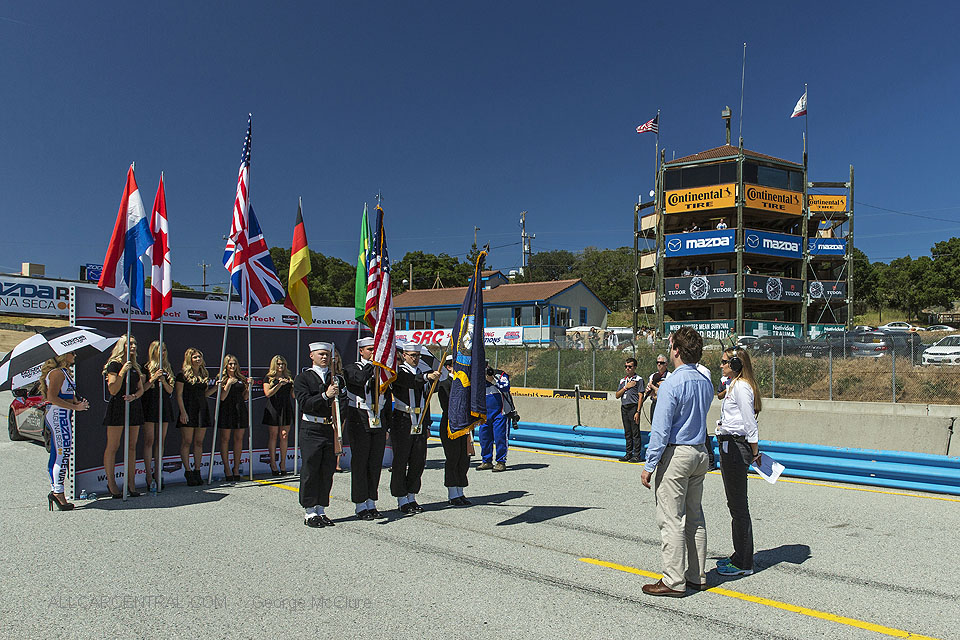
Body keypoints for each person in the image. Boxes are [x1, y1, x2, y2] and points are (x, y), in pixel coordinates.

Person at [640, 327, 713, 597]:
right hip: (699, 451)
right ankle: (697, 575)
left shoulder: (671, 384)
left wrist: (649, 465)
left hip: (677, 454)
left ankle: (673, 579)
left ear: (677, 351)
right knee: (695, 516)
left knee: (671, 518)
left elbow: (660, 431)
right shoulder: (705, 381)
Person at [715, 347, 762, 577]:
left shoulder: (742, 387)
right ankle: (739, 554)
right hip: (728, 445)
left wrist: (755, 452)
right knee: (734, 505)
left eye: (725, 362)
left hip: (736, 447)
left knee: (739, 507)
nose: (721, 365)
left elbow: (749, 423)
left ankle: (744, 562)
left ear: (735, 365)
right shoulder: (733, 385)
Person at [294, 342, 341, 528]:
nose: (324, 357)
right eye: (321, 354)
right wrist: (325, 396)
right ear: (311, 355)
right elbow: (304, 403)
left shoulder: (335, 377)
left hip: (329, 427)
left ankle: (321, 509)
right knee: (310, 469)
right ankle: (309, 511)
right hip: (311, 427)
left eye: (327, 354)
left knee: (326, 470)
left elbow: (343, 401)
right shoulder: (303, 378)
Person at [390, 344, 440, 514]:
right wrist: (427, 377)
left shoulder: (422, 372)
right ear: (404, 355)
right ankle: (401, 498)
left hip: (420, 419)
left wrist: (428, 424)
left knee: (418, 460)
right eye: (412, 355)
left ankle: (411, 495)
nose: (415, 358)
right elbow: (410, 382)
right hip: (403, 419)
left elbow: (427, 399)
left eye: (417, 355)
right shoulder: (398, 372)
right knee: (401, 460)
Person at [343, 337, 388, 520]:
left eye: (375, 349)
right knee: (360, 462)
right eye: (370, 349)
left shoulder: (382, 371)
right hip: (359, 417)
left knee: (375, 463)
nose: (373, 352)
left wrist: (387, 426)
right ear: (361, 351)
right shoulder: (351, 368)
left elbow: (387, 397)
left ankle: (371, 501)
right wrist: (373, 364)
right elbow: (360, 380)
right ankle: (360, 504)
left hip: (378, 417)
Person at [41, 353, 89, 510]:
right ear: (62, 355)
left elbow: (67, 395)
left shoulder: (64, 372)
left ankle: (57, 489)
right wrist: (75, 407)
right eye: (71, 353)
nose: (74, 355)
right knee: (62, 453)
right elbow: (52, 397)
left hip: (63, 414)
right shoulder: (56, 373)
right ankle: (58, 492)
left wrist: (77, 402)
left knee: (61, 453)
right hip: (58, 414)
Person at [102, 337, 145, 498]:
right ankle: (111, 483)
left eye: (135, 343)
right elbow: (113, 389)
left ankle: (131, 483)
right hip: (118, 406)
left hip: (133, 406)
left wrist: (134, 396)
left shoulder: (135, 365)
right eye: (130, 343)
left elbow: (141, 389)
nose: (133, 346)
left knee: (132, 446)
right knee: (113, 446)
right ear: (122, 346)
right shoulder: (114, 364)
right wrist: (122, 371)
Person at [175, 348, 216, 486]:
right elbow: (179, 395)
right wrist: (183, 412)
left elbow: (205, 394)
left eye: (199, 357)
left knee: (199, 442)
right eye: (195, 357)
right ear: (189, 359)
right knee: (187, 441)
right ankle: (188, 471)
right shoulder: (182, 375)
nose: (198, 359)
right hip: (188, 410)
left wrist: (216, 387)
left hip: (202, 410)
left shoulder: (204, 374)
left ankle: (197, 470)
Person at [141, 340, 174, 492]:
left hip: (164, 405)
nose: (163, 353)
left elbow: (170, 390)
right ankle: (148, 475)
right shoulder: (145, 367)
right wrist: (153, 378)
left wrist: (163, 381)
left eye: (165, 349)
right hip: (149, 404)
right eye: (160, 350)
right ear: (153, 351)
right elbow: (142, 389)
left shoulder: (167, 367)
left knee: (160, 441)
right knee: (149, 440)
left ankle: (158, 472)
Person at [437, 355, 470, 505]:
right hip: (450, 425)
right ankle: (452, 492)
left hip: (464, 425)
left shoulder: (465, 383)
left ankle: (460, 490)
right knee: (453, 458)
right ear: (449, 367)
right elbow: (447, 406)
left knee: (464, 458)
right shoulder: (445, 384)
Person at [215, 354, 248, 482]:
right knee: (225, 439)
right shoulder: (221, 378)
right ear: (226, 365)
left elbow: (245, 397)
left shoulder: (241, 378)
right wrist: (228, 383)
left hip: (240, 409)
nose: (233, 366)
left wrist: (248, 387)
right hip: (226, 410)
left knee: (239, 439)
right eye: (230, 364)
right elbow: (222, 397)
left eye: (234, 363)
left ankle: (236, 468)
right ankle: (227, 468)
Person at [262, 355, 295, 476]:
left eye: (283, 364)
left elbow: (293, 395)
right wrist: (279, 384)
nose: (281, 366)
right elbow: (268, 393)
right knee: (273, 435)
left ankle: (283, 463)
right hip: (273, 408)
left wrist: (294, 385)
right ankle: (273, 463)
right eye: (279, 364)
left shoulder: (288, 377)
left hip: (286, 407)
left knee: (284, 436)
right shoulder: (268, 378)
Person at [477, 363, 511, 472]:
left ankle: (501, 462)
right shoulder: (477, 377)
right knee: (484, 438)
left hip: (500, 413)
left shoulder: (500, 374)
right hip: (485, 414)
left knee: (500, 437)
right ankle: (486, 461)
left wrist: (492, 380)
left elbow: (506, 387)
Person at [614, 358, 642, 463]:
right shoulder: (623, 381)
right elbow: (617, 395)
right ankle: (628, 453)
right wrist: (626, 387)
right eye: (626, 366)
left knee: (635, 432)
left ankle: (637, 455)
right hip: (624, 407)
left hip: (633, 407)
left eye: (630, 367)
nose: (627, 369)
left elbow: (640, 396)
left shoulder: (638, 379)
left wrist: (638, 411)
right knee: (627, 432)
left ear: (635, 367)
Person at [642, 354, 671, 433]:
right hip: (654, 403)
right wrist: (648, 390)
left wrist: (655, 388)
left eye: (661, 363)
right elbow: (648, 392)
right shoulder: (653, 376)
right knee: (654, 425)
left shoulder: (670, 376)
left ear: (666, 364)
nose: (659, 364)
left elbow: (667, 393)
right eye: (657, 362)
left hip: (664, 405)